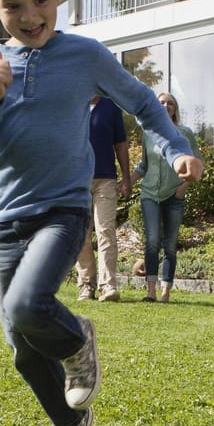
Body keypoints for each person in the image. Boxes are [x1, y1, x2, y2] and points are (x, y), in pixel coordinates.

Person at [0, 0, 203, 426]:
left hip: (62, 212)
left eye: (40, 0)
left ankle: (78, 340)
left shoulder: (85, 56)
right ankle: (71, 424)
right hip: (7, 220)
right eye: (12, 5)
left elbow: (143, 103)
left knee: (26, 305)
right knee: (20, 348)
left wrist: (176, 146)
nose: (29, 15)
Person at [75, 96, 131, 302]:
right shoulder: (73, 103)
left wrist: (126, 177)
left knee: (105, 231)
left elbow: (121, 145)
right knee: (81, 234)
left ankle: (108, 286)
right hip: (76, 181)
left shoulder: (111, 108)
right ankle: (86, 285)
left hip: (105, 179)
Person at [134, 91, 189, 303]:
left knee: (170, 244)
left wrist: (184, 186)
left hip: (174, 195)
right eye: (162, 103)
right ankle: (151, 292)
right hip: (150, 193)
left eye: (170, 104)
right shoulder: (148, 133)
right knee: (152, 241)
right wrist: (127, 181)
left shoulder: (184, 133)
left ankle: (166, 291)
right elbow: (143, 165)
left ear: (175, 109)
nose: (166, 106)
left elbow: (197, 163)